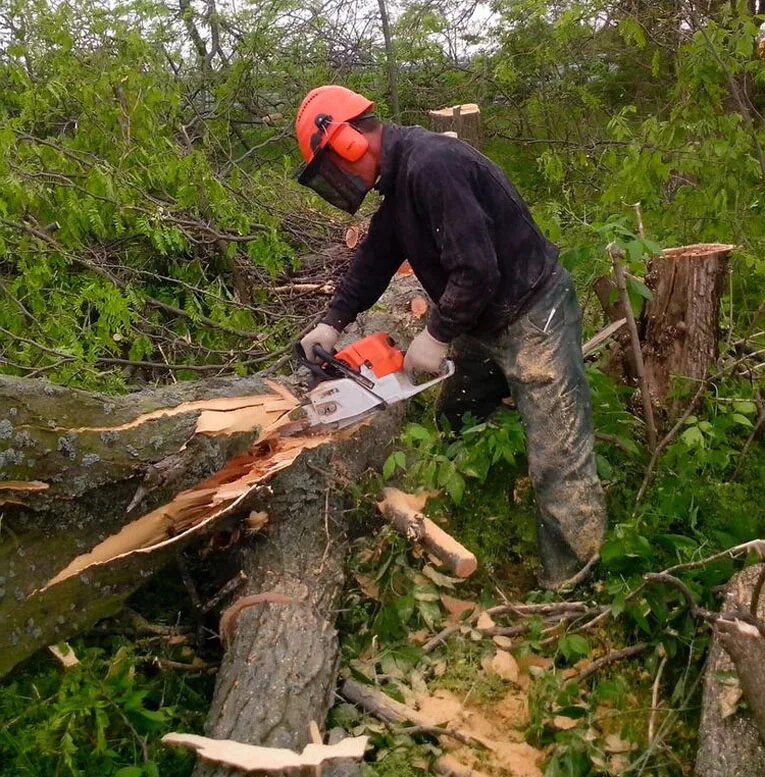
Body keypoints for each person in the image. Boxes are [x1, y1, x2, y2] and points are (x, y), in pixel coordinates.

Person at [294, 85, 606, 589]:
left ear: (351, 142)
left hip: (533, 311)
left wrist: (436, 334)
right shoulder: (400, 187)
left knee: (558, 455)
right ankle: (472, 517)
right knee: (457, 419)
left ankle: (574, 587)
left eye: (335, 165)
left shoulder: (431, 164)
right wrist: (333, 320)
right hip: (482, 320)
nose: (340, 178)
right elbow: (374, 262)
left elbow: (477, 270)